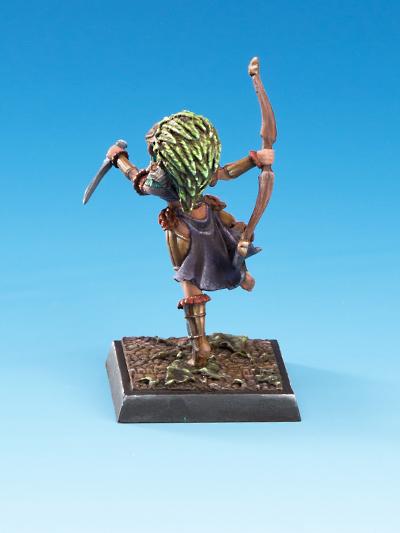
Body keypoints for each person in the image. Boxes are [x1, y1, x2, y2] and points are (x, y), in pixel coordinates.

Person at [106, 110, 274, 368]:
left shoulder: (162, 178)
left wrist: (118, 158)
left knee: (190, 279)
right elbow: (227, 172)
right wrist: (255, 160)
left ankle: (200, 345)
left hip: (181, 226)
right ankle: (241, 275)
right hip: (208, 215)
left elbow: (137, 180)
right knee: (226, 243)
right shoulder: (200, 169)